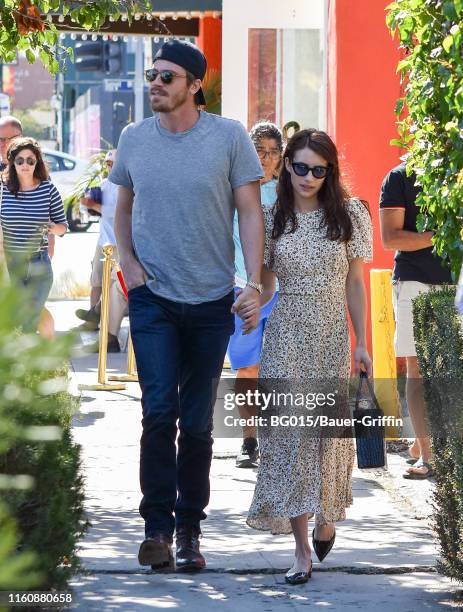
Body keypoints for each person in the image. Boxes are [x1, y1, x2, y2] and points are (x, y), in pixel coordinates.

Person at [110, 39, 264, 573]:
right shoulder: (134, 138)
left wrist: (252, 282)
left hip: (211, 299)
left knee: (197, 421)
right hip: (152, 296)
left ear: (195, 85)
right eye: (153, 74)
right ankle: (155, 528)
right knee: (157, 411)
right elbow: (120, 208)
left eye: (168, 76)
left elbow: (249, 211)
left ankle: (189, 531)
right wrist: (128, 263)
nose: (156, 82)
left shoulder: (228, 137)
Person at [246, 129, 373, 586]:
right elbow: (263, 282)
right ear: (286, 167)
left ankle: (327, 514)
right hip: (285, 336)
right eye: (300, 167)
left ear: (330, 172)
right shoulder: (272, 216)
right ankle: (301, 551)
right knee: (289, 439)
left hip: (333, 338)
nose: (308, 177)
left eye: (318, 170)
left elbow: (356, 284)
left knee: (326, 439)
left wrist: (363, 343)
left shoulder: (350, 217)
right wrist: (248, 302)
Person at [380, 162, 452, 479]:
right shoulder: (399, 177)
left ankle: (422, 446)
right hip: (415, 281)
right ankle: (427, 455)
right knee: (417, 368)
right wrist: (442, 235)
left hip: (457, 280)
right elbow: (390, 237)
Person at [229, 121, 282, 468]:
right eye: (260, 150)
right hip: (237, 287)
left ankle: (278, 442)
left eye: (273, 153)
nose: (265, 158)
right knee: (247, 369)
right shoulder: (231, 189)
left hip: (279, 292)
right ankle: (249, 440)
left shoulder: (289, 194)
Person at [0, 137, 67, 332]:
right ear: (12, 163)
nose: (25, 165)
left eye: (30, 160)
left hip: (40, 265)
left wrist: (51, 227)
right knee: (18, 318)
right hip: (12, 265)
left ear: (37, 162)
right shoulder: (3, 189)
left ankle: (26, 360)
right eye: (20, 160)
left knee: (30, 320)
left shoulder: (48, 189)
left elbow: (63, 227)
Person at [75, 150, 127, 352]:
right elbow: (92, 209)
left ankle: (102, 325)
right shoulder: (106, 185)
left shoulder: (125, 185)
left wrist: (92, 205)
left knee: (116, 285)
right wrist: (87, 203)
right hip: (104, 242)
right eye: (108, 164)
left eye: (113, 163)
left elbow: (117, 214)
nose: (110, 167)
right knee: (97, 281)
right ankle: (95, 321)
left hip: (119, 244)